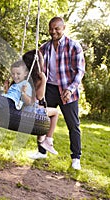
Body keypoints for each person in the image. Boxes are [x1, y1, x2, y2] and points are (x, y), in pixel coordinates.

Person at [31, 16, 86, 170]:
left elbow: (80, 71)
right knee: (42, 118)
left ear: (63, 28)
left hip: (68, 90)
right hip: (49, 88)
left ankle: (76, 158)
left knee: (73, 125)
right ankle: (41, 151)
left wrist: (70, 89)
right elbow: (37, 68)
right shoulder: (44, 48)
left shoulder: (74, 46)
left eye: (57, 28)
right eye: (51, 28)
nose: (53, 31)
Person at [21, 50, 59, 155]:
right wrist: (44, 81)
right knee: (55, 112)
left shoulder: (20, 76)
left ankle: (41, 142)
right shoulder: (38, 78)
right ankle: (48, 140)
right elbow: (40, 96)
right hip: (31, 111)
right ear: (37, 63)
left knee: (43, 118)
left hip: (19, 109)